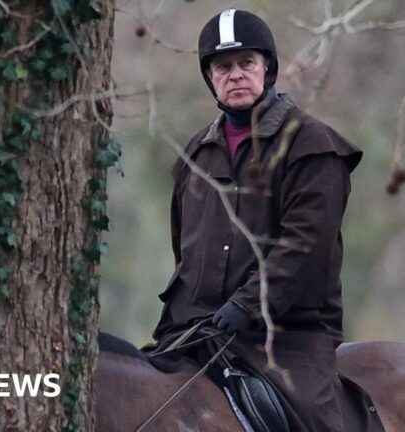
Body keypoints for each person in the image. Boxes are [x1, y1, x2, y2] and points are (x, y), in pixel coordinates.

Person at [151, 9, 362, 431]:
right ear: (210, 78)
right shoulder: (195, 154)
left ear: (267, 68)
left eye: (246, 63)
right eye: (223, 67)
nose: (236, 75)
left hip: (286, 336)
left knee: (312, 421)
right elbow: (185, 250)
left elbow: (306, 245)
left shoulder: (311, 145)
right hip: (198, 331)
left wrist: (246, 305)